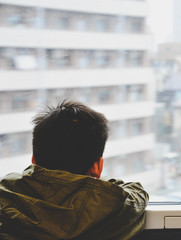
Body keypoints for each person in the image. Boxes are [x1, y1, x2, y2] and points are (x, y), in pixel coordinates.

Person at [0, 100, 149, 240]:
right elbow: (136, 192)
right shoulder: (117, 208)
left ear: (33, 160)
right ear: (97, 167)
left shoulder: (6, 194)